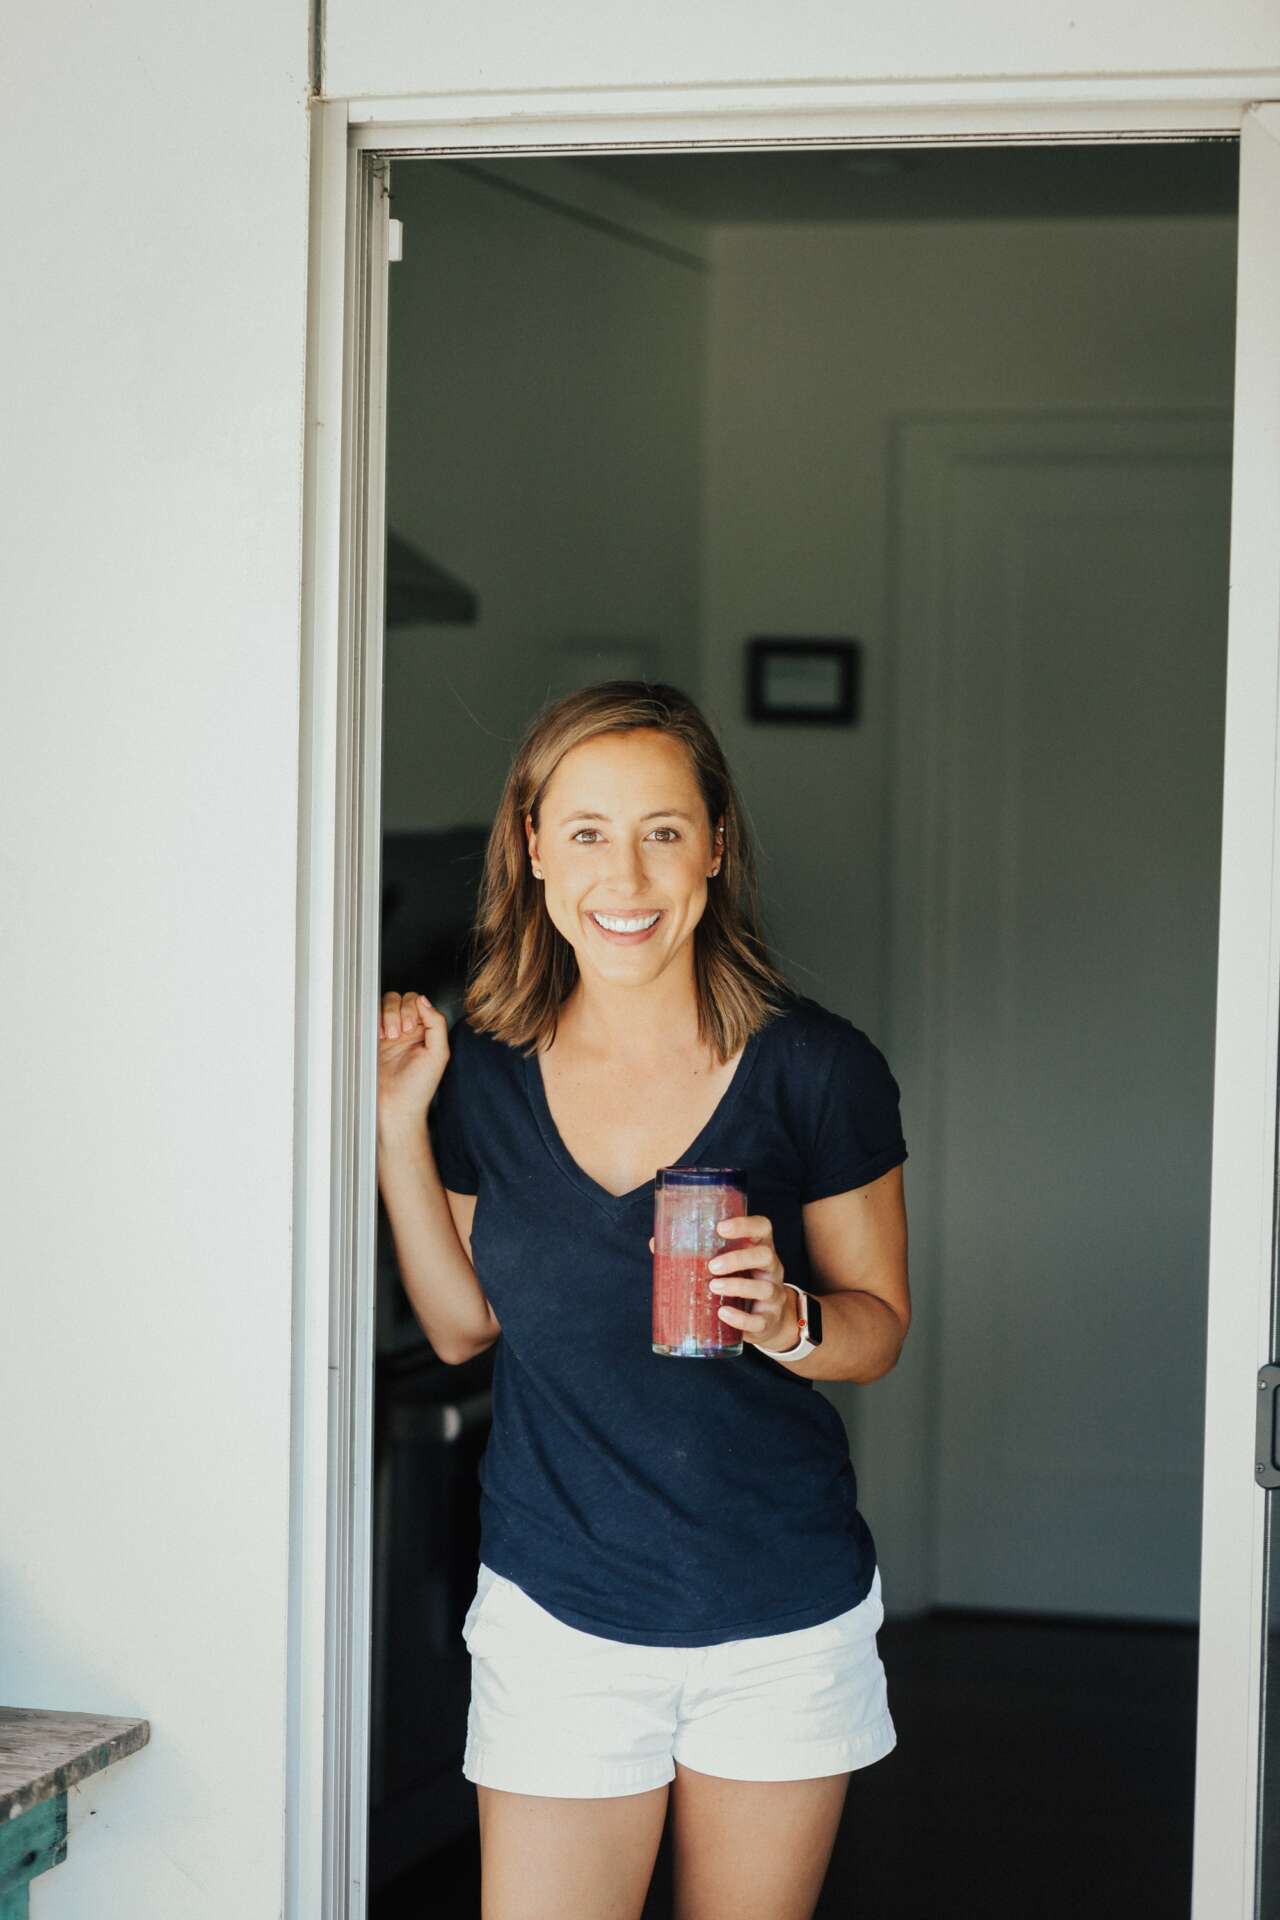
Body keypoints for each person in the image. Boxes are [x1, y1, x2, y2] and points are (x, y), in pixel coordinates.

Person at [376, 680, 910, 1920]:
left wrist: (788, 1319)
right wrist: (399, 1127)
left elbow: (876, 1328)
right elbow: (460, 1326)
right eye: (586, 832)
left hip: (778, 1618)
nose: (624, 875)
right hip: (559, 1614)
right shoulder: (481, 1074)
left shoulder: (815, 1067)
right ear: (532, 849)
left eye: (662, 830)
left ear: (715, 846)